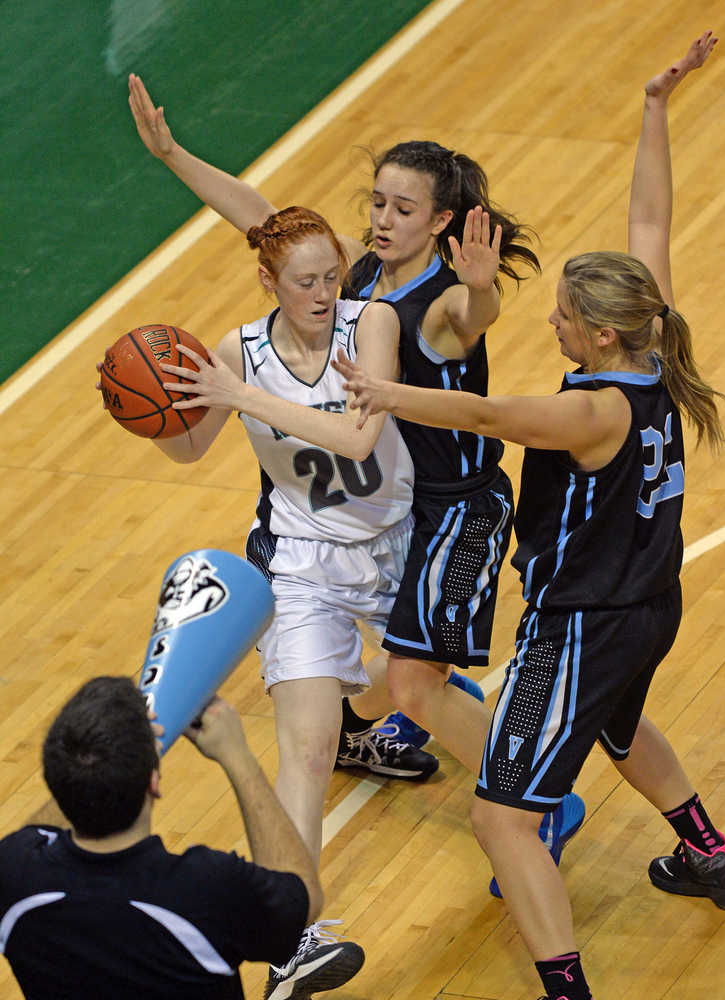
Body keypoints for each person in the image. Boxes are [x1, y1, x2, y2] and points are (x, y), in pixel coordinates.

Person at [331, 33, 725, 1000]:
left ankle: (565, 990)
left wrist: (383, 393)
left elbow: (480, 412)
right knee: (619, 729)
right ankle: (709, 852)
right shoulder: (652, 349)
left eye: (558, 317)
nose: (545, 323)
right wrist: (651, 107)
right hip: (645, 607)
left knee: (501, 819)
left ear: (596, 333)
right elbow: (648, 221)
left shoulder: (590, 407)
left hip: (582, 621)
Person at [128, 78, 586, 891]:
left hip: (456, 507)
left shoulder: (436, 299)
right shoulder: (358, 273)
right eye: (376, 202)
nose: (380, 220)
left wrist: (481, 284)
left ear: (442, 221)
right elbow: (263, 223)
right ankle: (387, 728)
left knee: (412, 678)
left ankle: (537, 795)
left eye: (402, 209)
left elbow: (471, 317)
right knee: (403, 676)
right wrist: (172, 155)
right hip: (389, 499)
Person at [115, 204, 440, 998]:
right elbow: (191, 447)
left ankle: (522, 782)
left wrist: (239, 395)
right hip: (301, 563)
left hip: (400, 545)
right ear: (268, 281)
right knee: (302, 747)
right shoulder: (239, 350)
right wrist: (149, 405)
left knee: (433, 694)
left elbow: (361, 440)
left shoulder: (374, 324)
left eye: (331, 275)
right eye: (305, 282)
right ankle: (292, 939)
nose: (324, 292)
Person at [0, 677, 323, 1000]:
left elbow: (39, 826)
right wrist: (238, 757)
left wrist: (95, 759)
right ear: (154, 783)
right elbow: (302, 896)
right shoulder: (207, 889)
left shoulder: (15, 875)